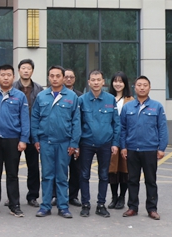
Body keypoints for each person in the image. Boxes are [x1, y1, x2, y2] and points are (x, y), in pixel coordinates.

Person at [31, 65, 81, 219]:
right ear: (48, 77)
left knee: (61, 176)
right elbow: (35, 118)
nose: (54, 79)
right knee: (47, 175)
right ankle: (45, 206)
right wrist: (35, 139)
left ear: (63, 78)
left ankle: (63, 207)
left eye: (58, 76)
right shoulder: (42, 96)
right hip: (45, 142)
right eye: (52, 76)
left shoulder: (71, 96)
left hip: (64, 142)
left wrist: (74, 143)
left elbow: (76, 121)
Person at [0, 64, 29, 217]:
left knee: (12, 174)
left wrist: (23, 139)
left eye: (9, 75)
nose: (6, 78)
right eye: (3, 75)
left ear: (13, 77)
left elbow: (25, 120)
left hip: (12, 139)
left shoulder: (20, 96)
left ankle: (14, 205)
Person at [121, 76, 168, 220]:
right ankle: (132, 207)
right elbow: (122, 129)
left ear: (149, 88)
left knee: (151, 181)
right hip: (132, 149)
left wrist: (161, 148)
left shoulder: (157, 106)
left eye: (145, 85)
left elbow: (162, 128)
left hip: (150, 149)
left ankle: (152, 209)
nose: (142, 87)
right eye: (139, 85)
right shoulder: (128, 107)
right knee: (132, 180)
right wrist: (123, 147)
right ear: (134, 87)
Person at [77, 70, 120, 218]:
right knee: (84, 175)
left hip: (105, 143)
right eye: (93, 80)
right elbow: (77, 123)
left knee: (104, 175)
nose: (96, 82)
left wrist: (115, 143)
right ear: (88, 82)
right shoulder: (81, 100)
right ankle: (85, 204)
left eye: (98, 80)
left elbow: (116, 123)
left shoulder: (110, 99)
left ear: (103, 82)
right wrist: (76, 144)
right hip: (86, 143)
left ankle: (101, 205)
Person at [12, 59, 44, 207]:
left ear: (32, 71)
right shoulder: (12, 88)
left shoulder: (39, 89)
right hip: (15, 132)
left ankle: (32, 196)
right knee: (12, 166)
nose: (26, 71)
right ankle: (12, 196)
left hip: (33, 132)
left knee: (33, 166)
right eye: (23, 68)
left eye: (28, 68)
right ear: (19, 70)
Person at [51, 68, 82, 207]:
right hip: (58, 139)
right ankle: (55, 195)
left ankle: (73, 196)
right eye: (66, 77)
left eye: (71, 77)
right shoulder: (52, 94)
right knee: (56, 169)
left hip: (74, 139)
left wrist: (76, 142)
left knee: (75, 170)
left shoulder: (79, 96)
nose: (69, 79)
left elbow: (79, 120)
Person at [107, 71, 134, 209]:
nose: (118, 84)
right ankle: (114, 197)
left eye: (120, 81)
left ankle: (122, 197)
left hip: (125, 139)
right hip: (110, 139)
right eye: (115, 81)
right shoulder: (107, 98)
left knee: (124, 169)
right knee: (112, 168)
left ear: (125, 83)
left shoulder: (131, 100)